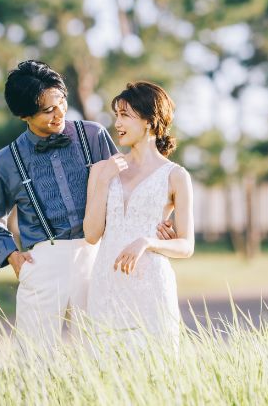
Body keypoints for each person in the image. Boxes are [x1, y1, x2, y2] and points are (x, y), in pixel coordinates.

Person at [0, 61, 174, 352]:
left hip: (97, 257)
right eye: (48, 110)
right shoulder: (6, 160)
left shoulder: (94, 135)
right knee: (35, 357)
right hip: (43, 262)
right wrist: (11, 255)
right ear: (24, 115)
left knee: (99, 350)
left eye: (61, 102)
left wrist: (158, 221)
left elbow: (126, 188)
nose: (59, 113)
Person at [84, 81, 194, 353]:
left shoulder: (176, 176)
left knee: (154, 372)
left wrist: (147, 241)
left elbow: (186, 246)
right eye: (116, 115)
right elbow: (91, 233)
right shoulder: (101, 169)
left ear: (148, 121)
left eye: (125, 115)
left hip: (151, 286)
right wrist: (104, 180)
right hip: (106, 284)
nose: (117, 123)